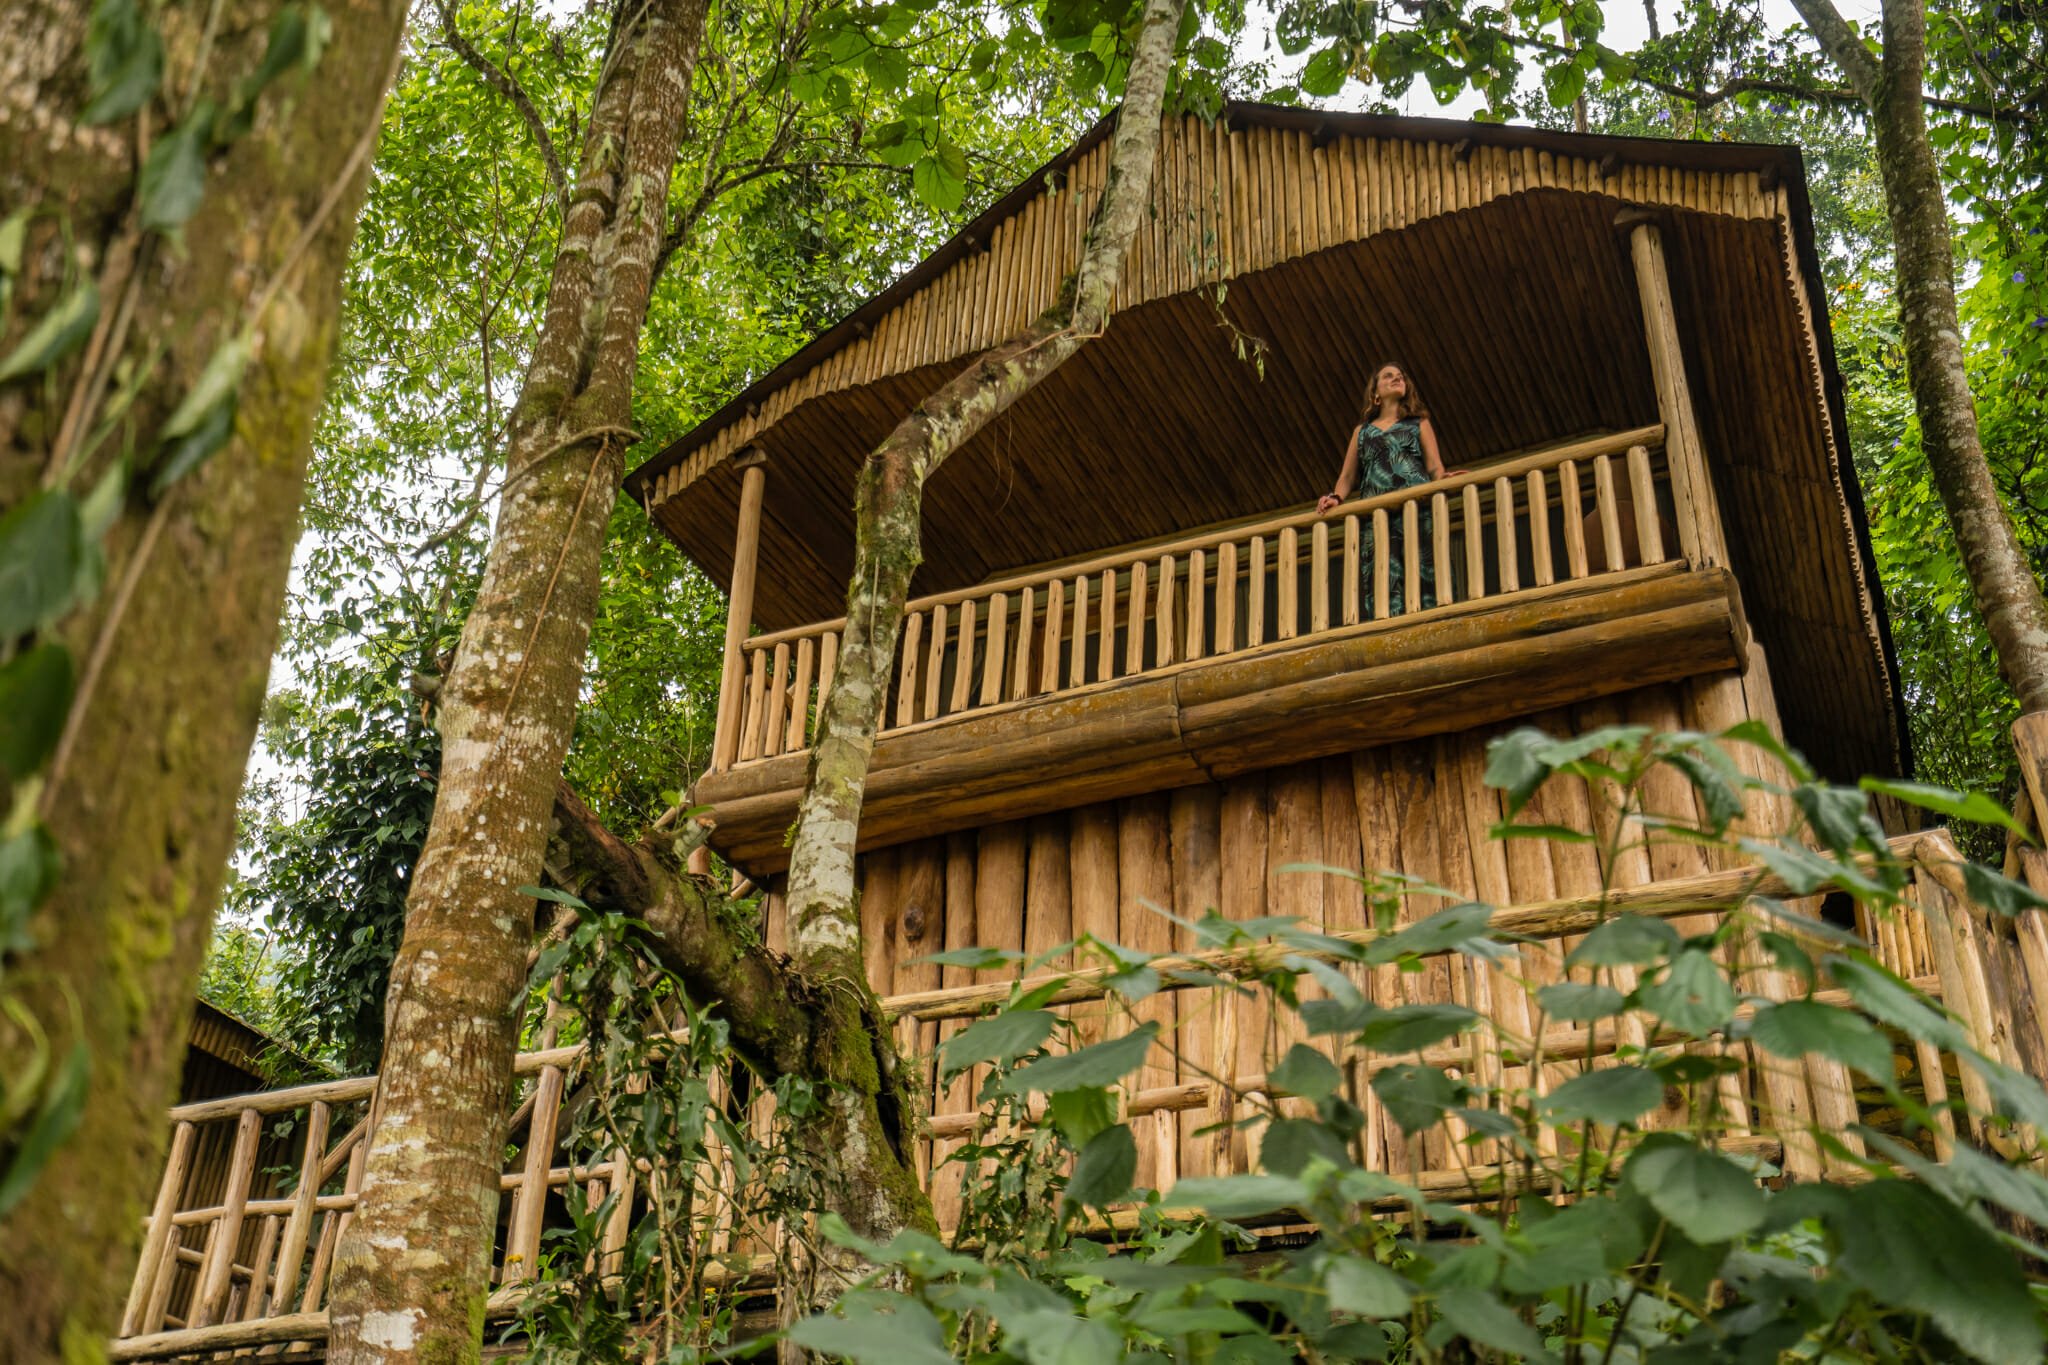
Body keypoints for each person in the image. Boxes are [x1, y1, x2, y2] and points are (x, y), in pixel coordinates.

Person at [1316, 362, 1457, 614]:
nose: (1397, 378)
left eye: (1400, 376)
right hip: (1378, 515)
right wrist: (1335, 497)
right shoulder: (1362, 432)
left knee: (1423, 564)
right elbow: (1347, 477)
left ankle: (1432, 616)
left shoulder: (1418, 423)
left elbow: (1434, 466)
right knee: (1384, 572)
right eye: (1388, 376)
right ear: (1375, 395)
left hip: (1418, 508)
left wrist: (1444, 479)